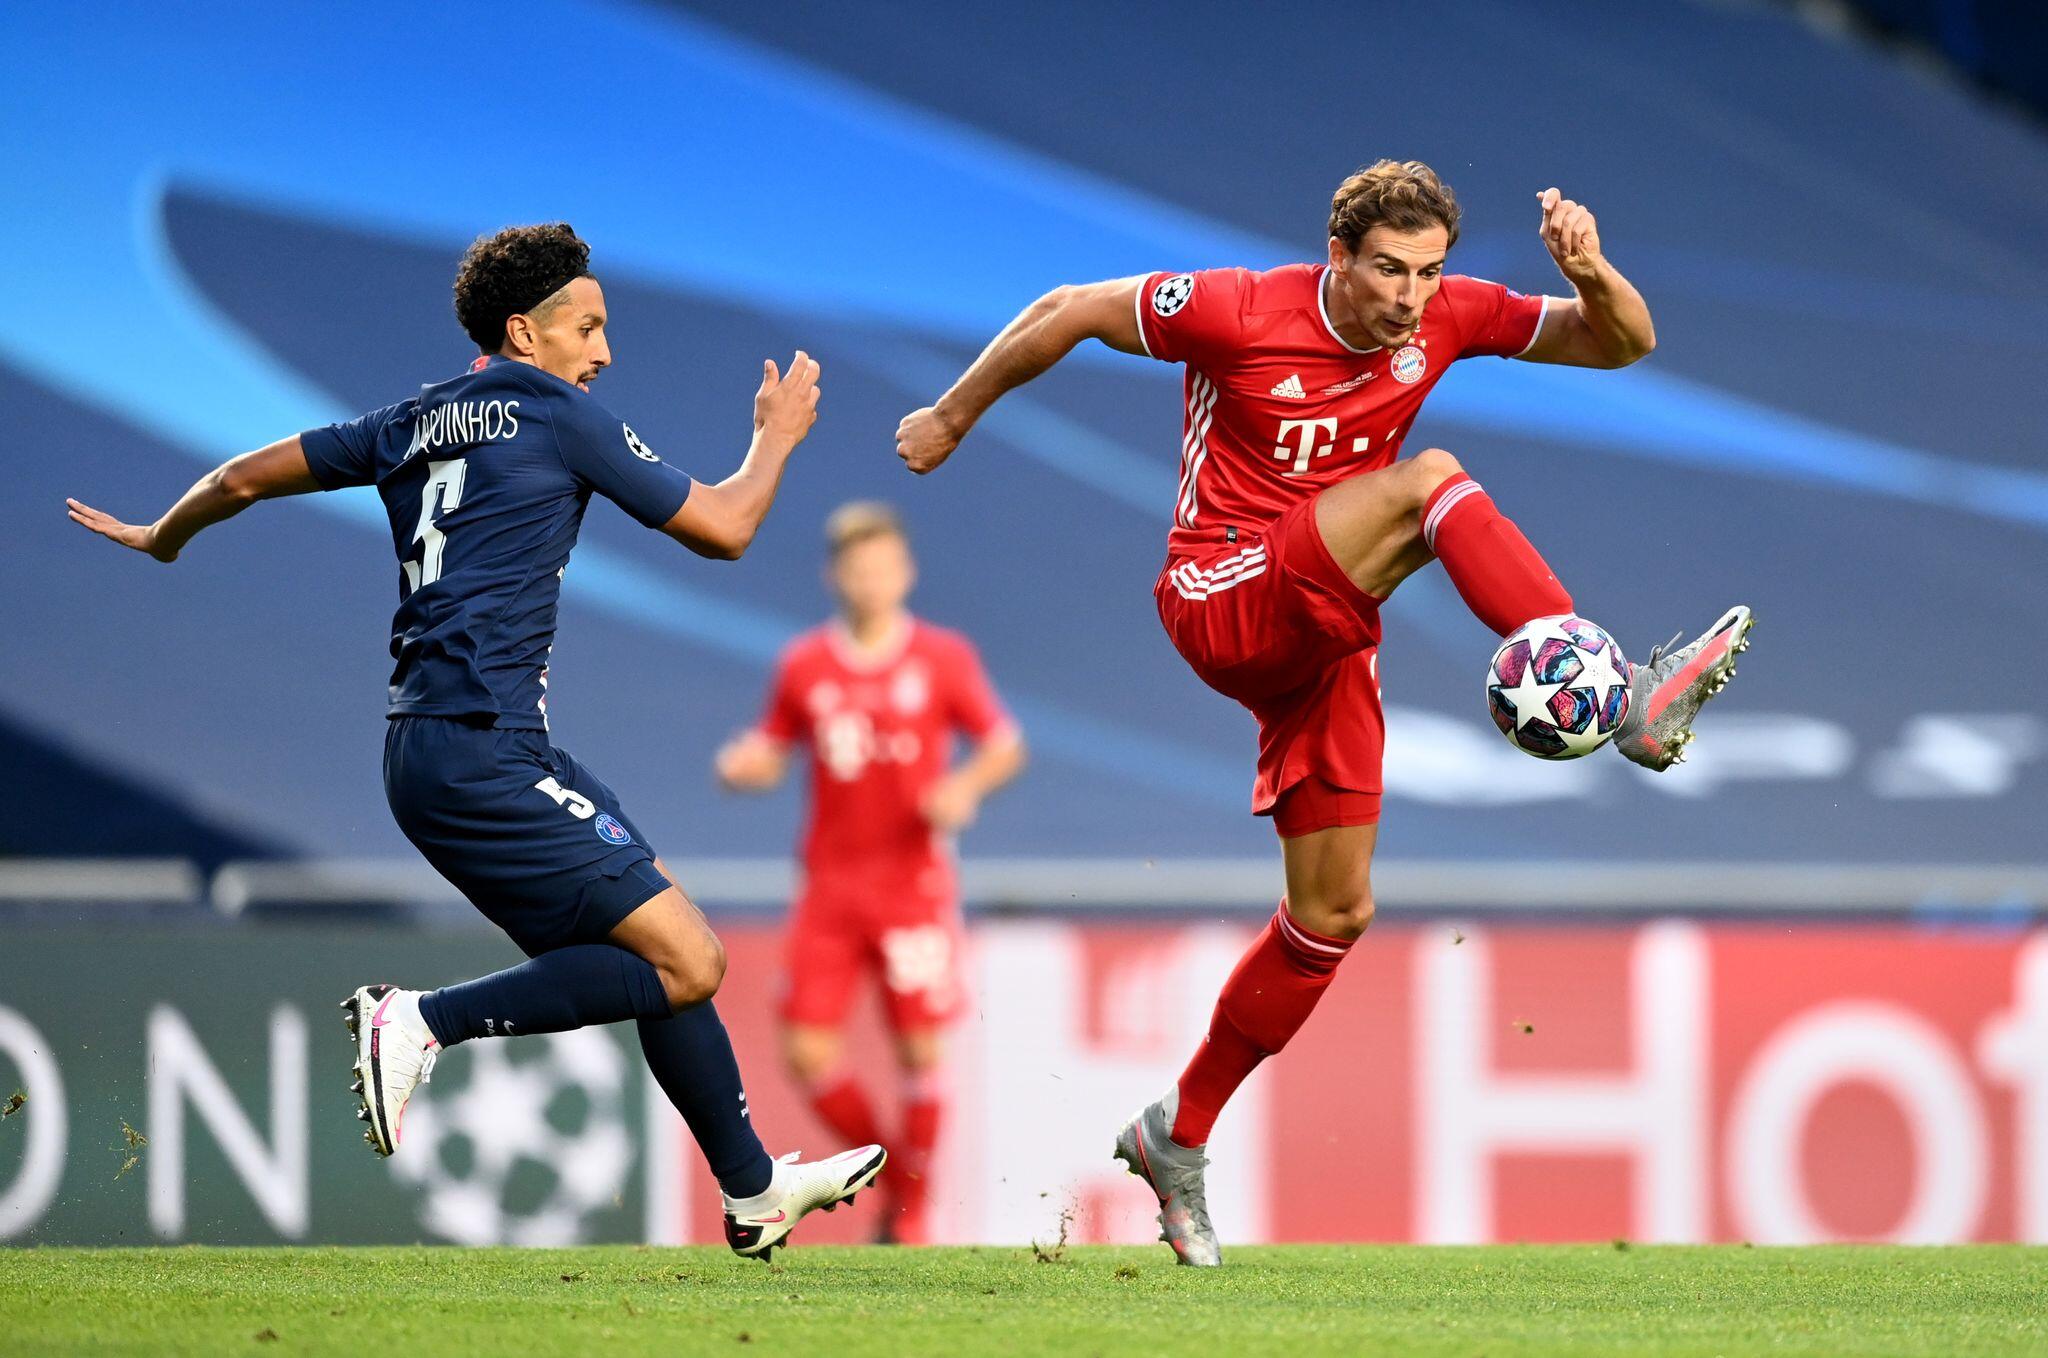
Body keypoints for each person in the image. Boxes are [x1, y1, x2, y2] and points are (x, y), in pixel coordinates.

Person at [894, 162, 1751, 1265]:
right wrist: (951, 415)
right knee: (1428, 480)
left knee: (1333, 913)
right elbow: (1070, 309)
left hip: (1328, 628)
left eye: (1428, 272)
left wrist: (1589, 272)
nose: (1409, 296)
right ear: (1337, 254)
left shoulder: (1445, 316)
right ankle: (1619, 693)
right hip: (1222, 590)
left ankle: (1177, 1134)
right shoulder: (1239, 308)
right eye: (1388, 269)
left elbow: (1620, 342)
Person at [68, 222, 881, 1260]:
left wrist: (163, 536)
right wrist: (775, 437)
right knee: (691, 960)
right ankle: (418, 1020)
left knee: (657, 938)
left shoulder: (406, 422)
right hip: (479, 750)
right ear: (524, 332)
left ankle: (753, 1191)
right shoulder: (557, 414)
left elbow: (237, 480)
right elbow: (724, 528)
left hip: (444, 749)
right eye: (587, 327)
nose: (604, 352)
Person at [716, 501, 1026, 1244]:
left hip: (914, 886)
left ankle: (909, 1216)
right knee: (806, 1049)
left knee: (921, 1049)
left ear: (906, 573)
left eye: (883, 568)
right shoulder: (804, 665)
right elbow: (772, 748)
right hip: (830, 886)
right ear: (835, 576)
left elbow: (1002, 744)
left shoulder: (942, 657)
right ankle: (893, 1178)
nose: (871, 582)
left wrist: (963, 788)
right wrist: (746, 766)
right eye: (858, 569)